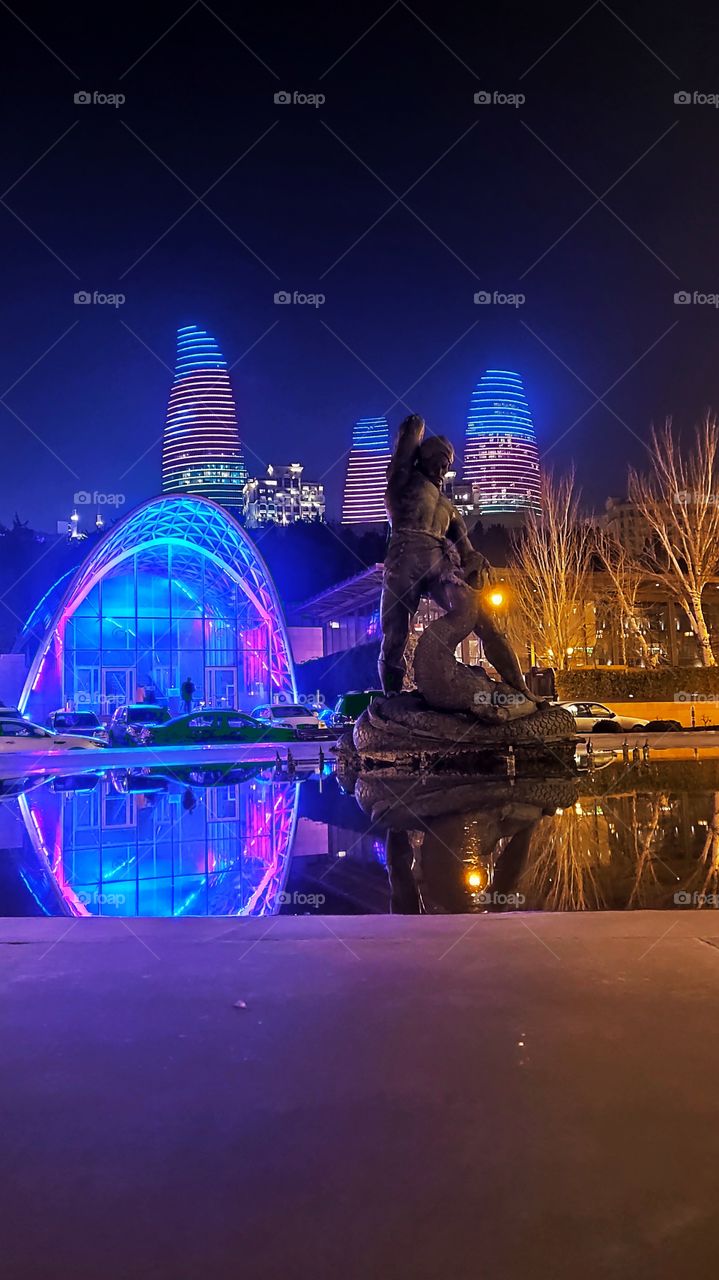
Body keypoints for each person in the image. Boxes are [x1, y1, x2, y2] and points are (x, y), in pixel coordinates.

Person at [379, 413, 539, 702]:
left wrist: (478, 562)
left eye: (448, 463)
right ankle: (392, 697)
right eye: (438, 459)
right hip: (405, 557)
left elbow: (466, 550)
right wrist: (416, 426)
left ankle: (521, 688)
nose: (443, 467)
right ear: (422, 458)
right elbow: (404, 447)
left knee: (484, 620)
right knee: (395, 635)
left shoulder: (449, 508)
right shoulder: (402, 482)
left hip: (440, 563)